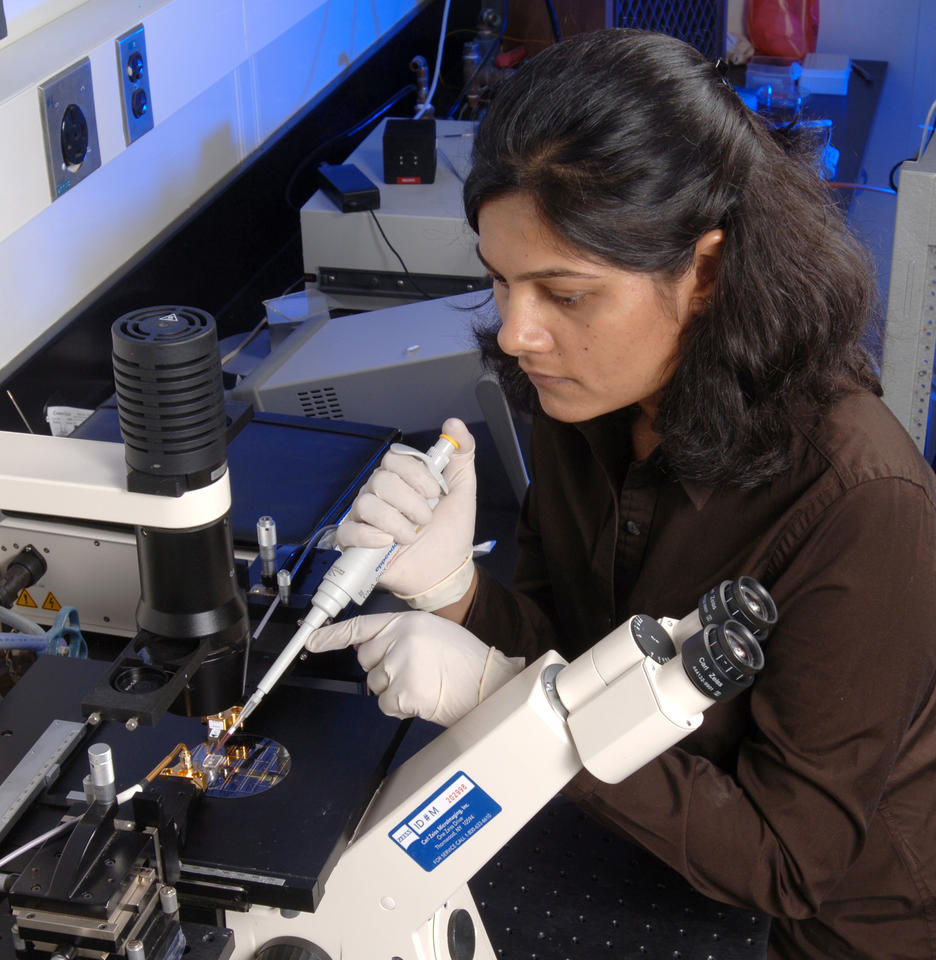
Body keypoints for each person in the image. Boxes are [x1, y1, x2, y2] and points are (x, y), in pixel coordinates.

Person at [306, 28, 936, 959]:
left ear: (707, 272)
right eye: (501, 282)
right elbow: (569, 647)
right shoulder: (591, 399)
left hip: (825, 927)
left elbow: (789, 864)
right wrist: (455, 593)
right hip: (641, 838)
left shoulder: (862, 498)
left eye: (564, 294)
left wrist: (506, 691)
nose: (517, 334)